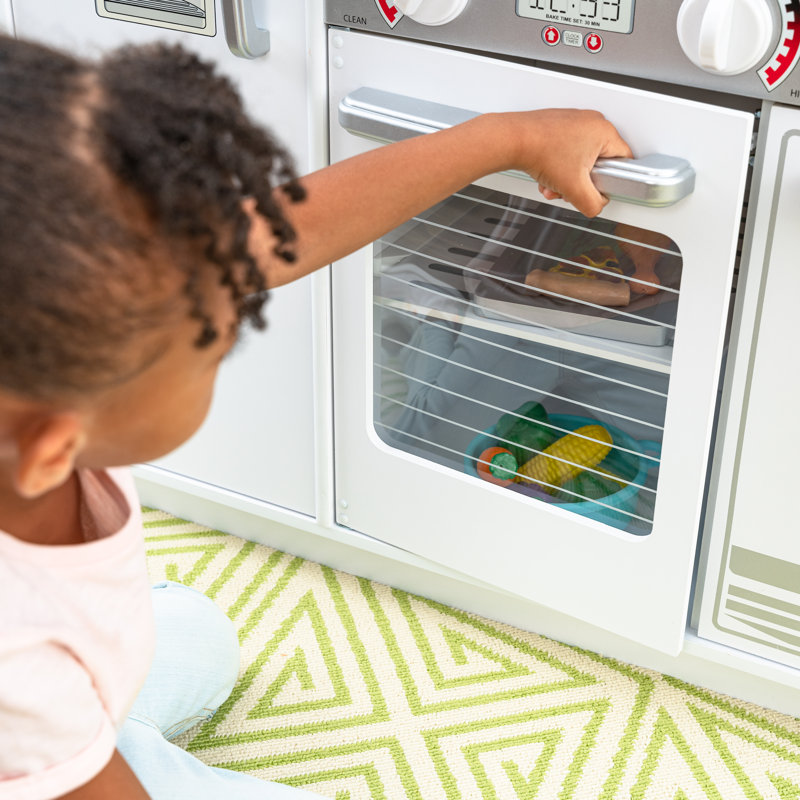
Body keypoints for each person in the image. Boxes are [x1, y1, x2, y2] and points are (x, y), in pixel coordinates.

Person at [0, 33, 632, 800]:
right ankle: (84, 749)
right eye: (212, 343)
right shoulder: (17, 662)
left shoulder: (66, 326)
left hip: (72, 695)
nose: (238, 301)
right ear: (51, 448)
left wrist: (510, 136)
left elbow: (294, 225)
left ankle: (96, 731)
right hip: (42, 748)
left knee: (200, 639)